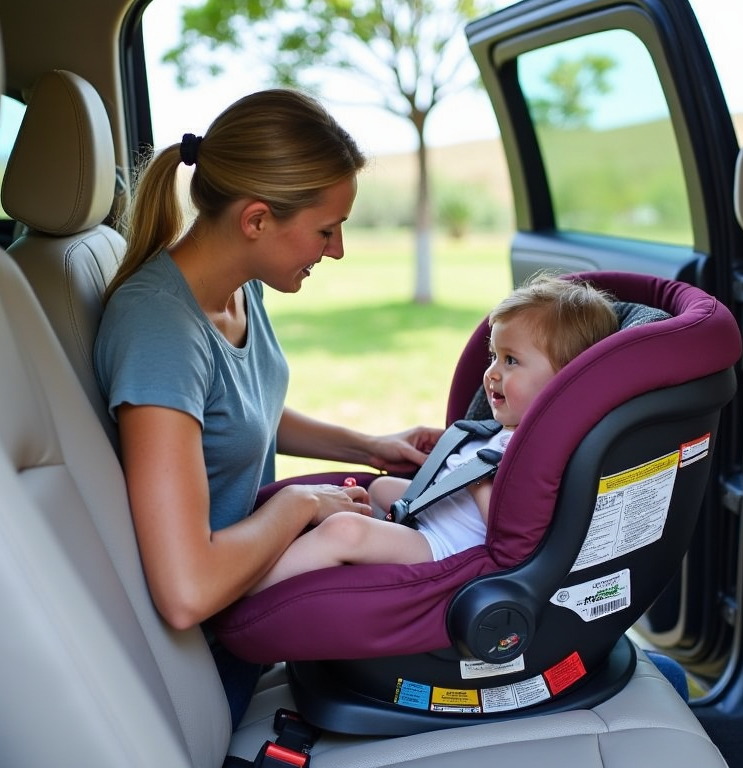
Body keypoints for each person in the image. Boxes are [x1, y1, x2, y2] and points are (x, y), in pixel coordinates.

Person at [93, 89, 442, 724]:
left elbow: (239, 414)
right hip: (212, 649)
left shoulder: (239, 290)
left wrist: (368, 447)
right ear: (256, 220)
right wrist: (302, 503)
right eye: (326, 230)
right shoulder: (159, 331)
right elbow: (185, 590)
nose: (335, 250)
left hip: (259, 595)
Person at [247, 274, 620, 594]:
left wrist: (474, 483)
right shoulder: (507, 432)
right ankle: (304, 557)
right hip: (434, 518)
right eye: (493, 356)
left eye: (510, 361)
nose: (491, 373)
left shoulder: (541, 450)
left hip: (447, 550)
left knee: (346, 530)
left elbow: (514, 536)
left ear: (567, 380)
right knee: (377, 489)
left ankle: (247, 590)